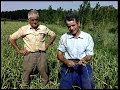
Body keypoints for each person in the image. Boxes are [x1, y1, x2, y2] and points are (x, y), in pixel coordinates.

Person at [8, 9, 56, 89]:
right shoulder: (23, 29)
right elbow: (11, 38)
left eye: (36, 19)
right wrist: (19, 50)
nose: (34, 22)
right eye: (32, 20)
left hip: (42, 54)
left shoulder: (43, 28)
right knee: (26, 73)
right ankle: (25, 86)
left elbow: (53, 35)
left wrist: (47, 45)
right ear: (28, 20)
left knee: (44, 72)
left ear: (38, 19)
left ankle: (45, 86)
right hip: (29, 55)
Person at [57, 13, 95, 89]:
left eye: (73, 25)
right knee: (64, 87)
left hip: (83, 66)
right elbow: (59, 54)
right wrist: (66, 62)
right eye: (69, 26)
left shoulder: (87, 37)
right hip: (68, 66)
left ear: (78, 24)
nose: (71, 28)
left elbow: (89, 55)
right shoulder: (64, 37)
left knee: (88, 86)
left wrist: (83, 59)